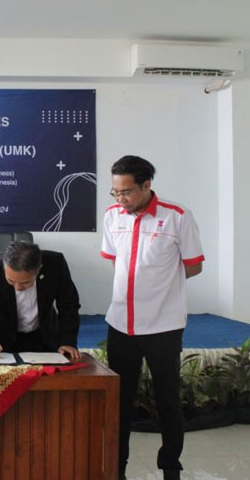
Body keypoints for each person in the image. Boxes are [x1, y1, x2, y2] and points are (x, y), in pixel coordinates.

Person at [102, 155, 204, 480]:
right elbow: (115, 261)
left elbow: (193, 265)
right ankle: (118, 467)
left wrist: (161, 288)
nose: (120, 199)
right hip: (120, 325)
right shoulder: (112, 216)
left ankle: (170, 466)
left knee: (167, 401)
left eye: (127, 192)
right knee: (120, 401)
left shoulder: (177, 217)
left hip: (164, 326)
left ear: (147, 186)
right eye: (115, 192)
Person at [0, 241, 81, 359]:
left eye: (25, 283)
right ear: (5, 267)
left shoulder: (55, 264)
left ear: (39, 269)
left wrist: (67, 341)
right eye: (11, 281)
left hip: (45, 336)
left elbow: (69, 305)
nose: (18, 287)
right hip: (3, 343)